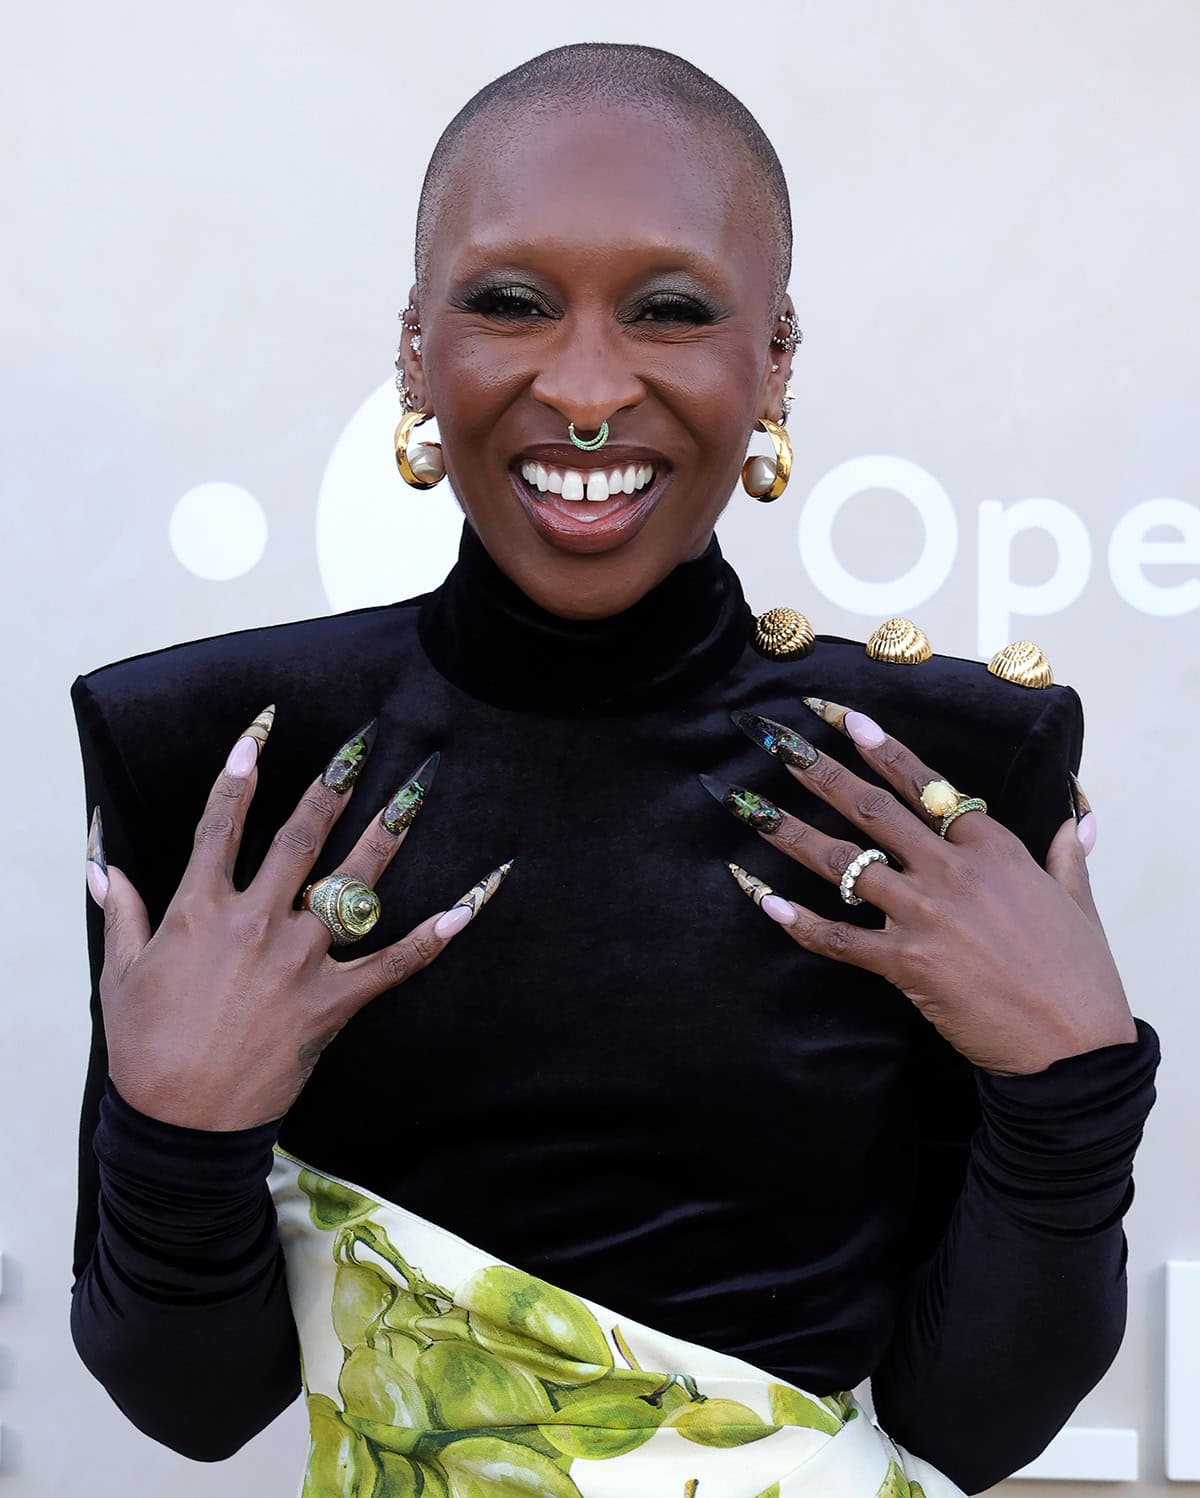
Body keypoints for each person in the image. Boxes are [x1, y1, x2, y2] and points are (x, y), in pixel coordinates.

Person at [69, 43, 1158, 1498]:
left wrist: (1069, 1094)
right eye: (511, 303)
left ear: (772, 359)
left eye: (668, 310)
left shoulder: (949, 774)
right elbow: (196, 1405)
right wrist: (176, 1137)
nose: (586, 388)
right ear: (414, 345)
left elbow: (972, 1419)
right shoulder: (218, 756)